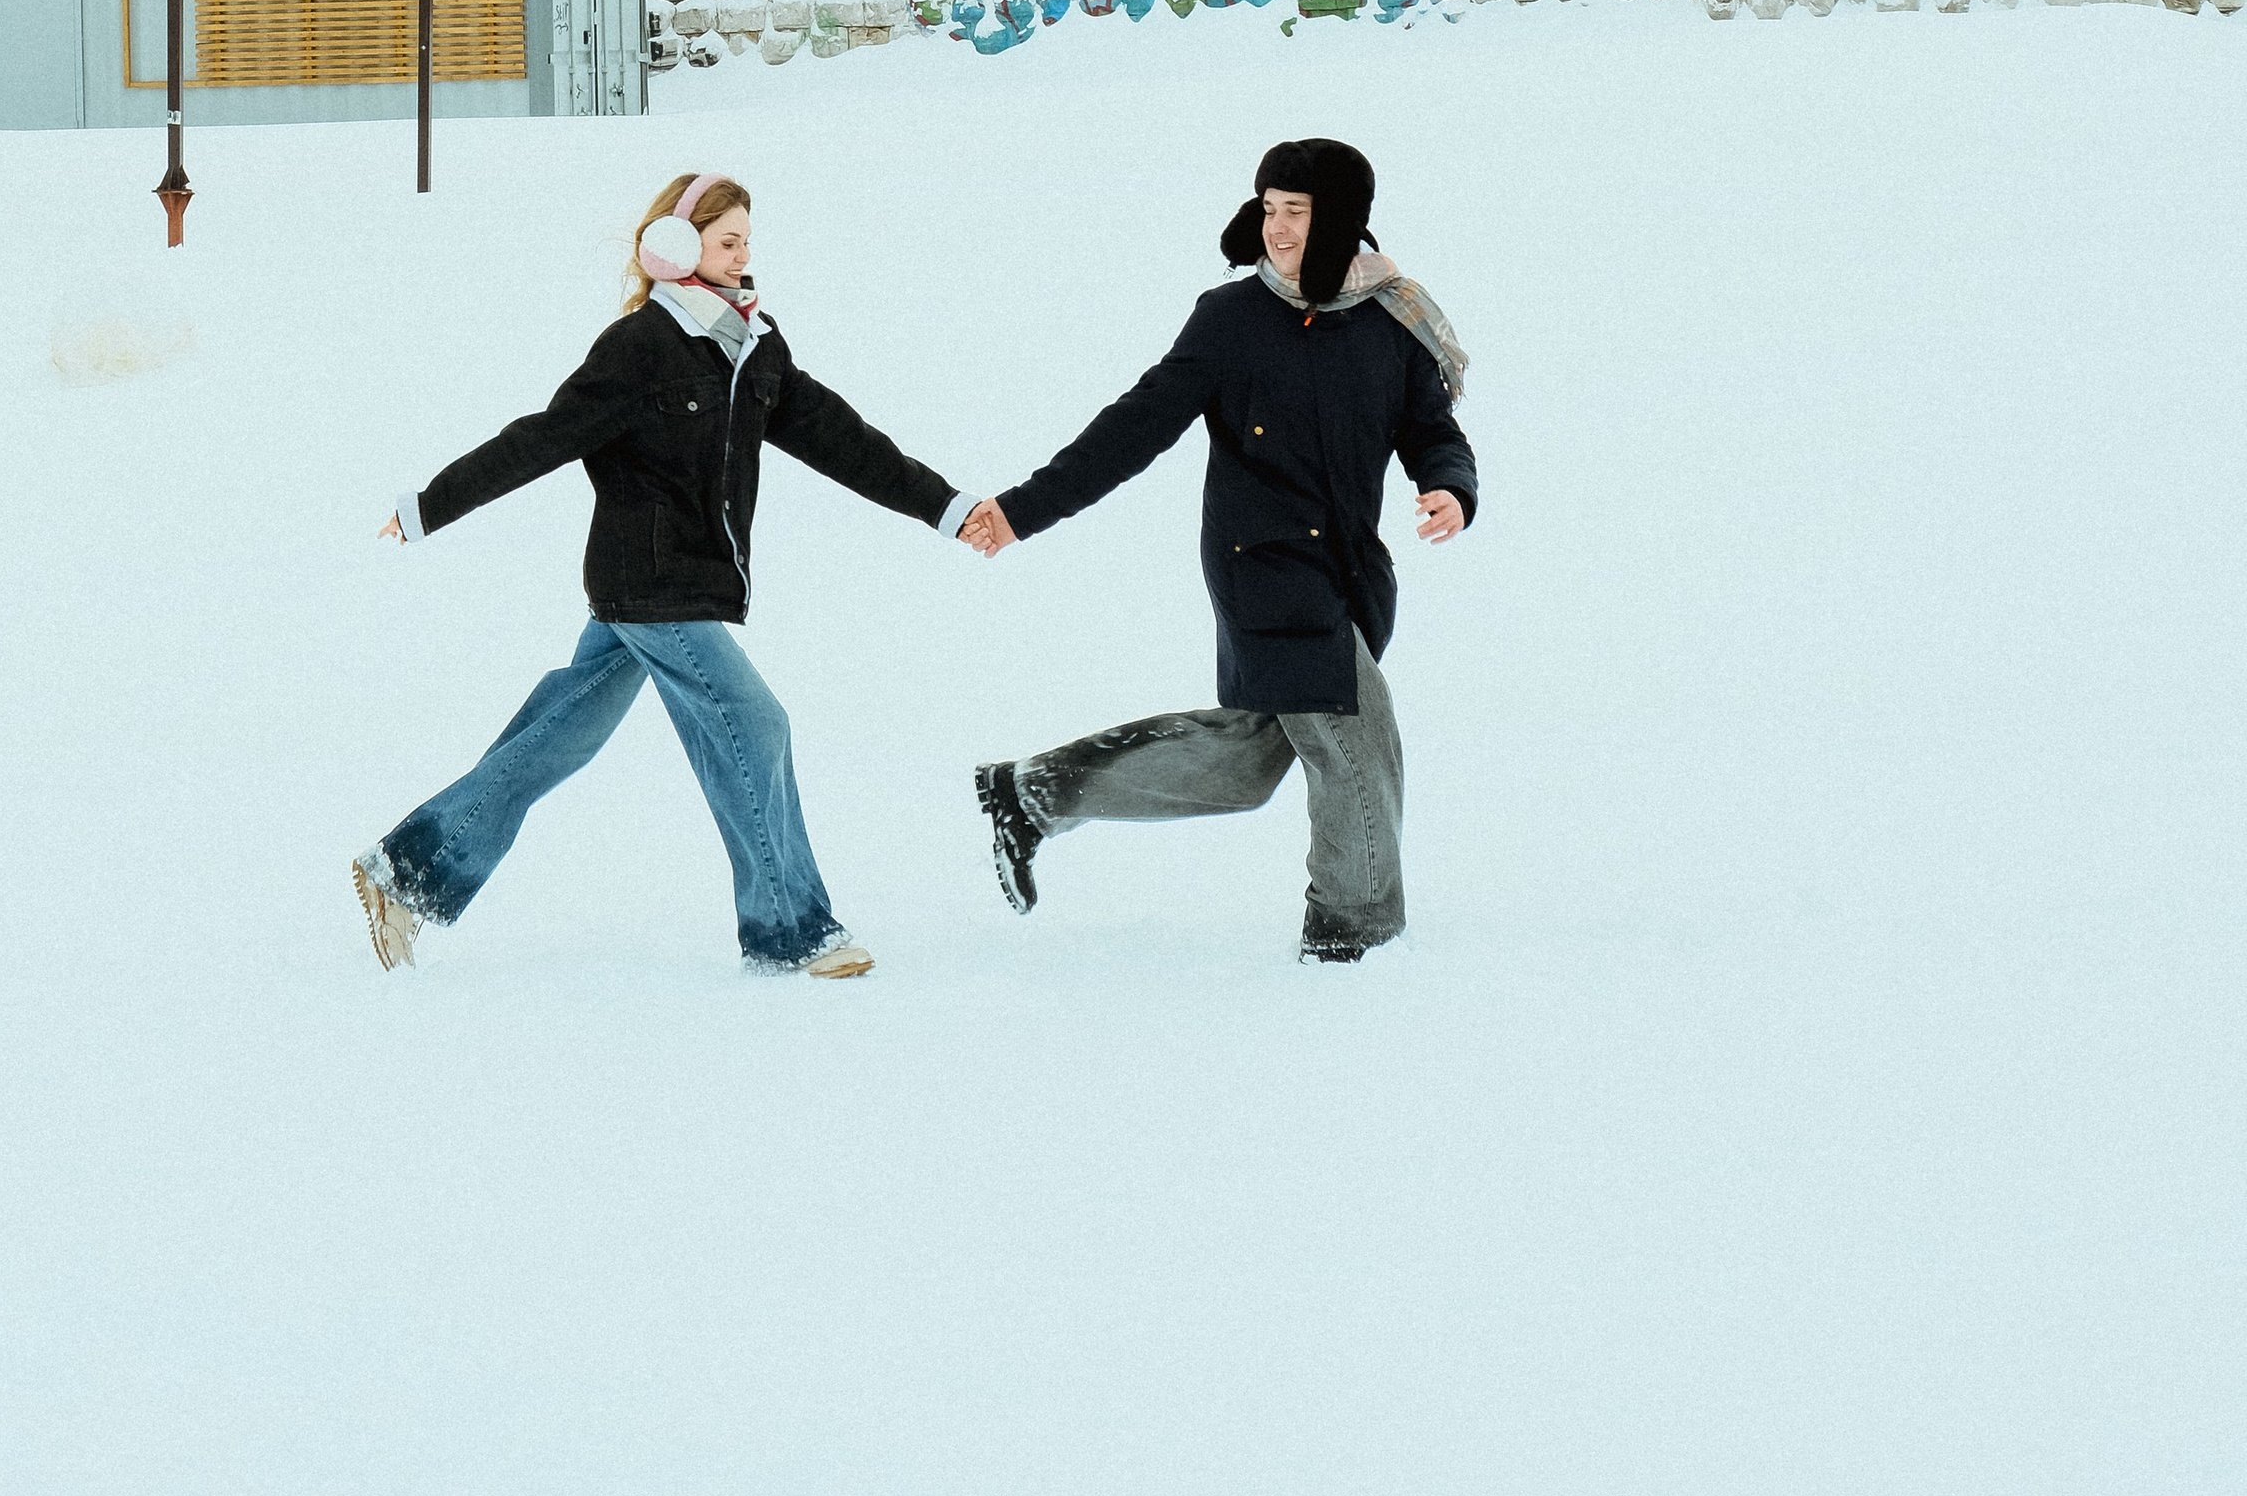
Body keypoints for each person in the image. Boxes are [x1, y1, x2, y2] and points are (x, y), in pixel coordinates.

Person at [354, 169, 979, 981]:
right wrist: (431, 504)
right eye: (728, 240)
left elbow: (845, 441)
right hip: (649, 584)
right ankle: (791, 930)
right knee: (755, 725)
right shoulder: (640, 348)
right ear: (676, 248)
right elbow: (541, 437)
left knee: (560, 735)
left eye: (748, 240)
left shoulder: (753, 347)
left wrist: (947, 506)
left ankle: (408, 870)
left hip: (672, 584)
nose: (743, 255)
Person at [958, 136, 1477, 964]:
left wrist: (1451, 486)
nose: (1277, 230)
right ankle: (1355, 935)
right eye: (1269, 209)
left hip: (1350, 570)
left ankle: (1034, 793)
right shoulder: (1231, 319)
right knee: (1355, 740)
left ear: (1339, 220)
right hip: (1261, 564)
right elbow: (1134, 427)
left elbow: (1431, 428)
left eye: (1297, 212)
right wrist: (1024, 509)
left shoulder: (1393, 319)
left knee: (1249, 759)